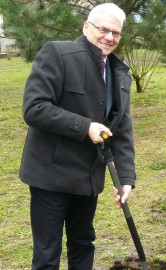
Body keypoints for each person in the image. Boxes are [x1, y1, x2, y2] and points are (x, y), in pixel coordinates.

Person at [19, 3, 135, 269]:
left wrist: (126, 178)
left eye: (116, 33)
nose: (109, 37)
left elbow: (123, 130)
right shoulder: (58, 53)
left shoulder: (120, 73)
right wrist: (85, 127)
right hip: (51, 175)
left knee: (83, 244)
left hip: (88, 179)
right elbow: (35, 108)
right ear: (86, 27)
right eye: (103, 29)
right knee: (47, 254)